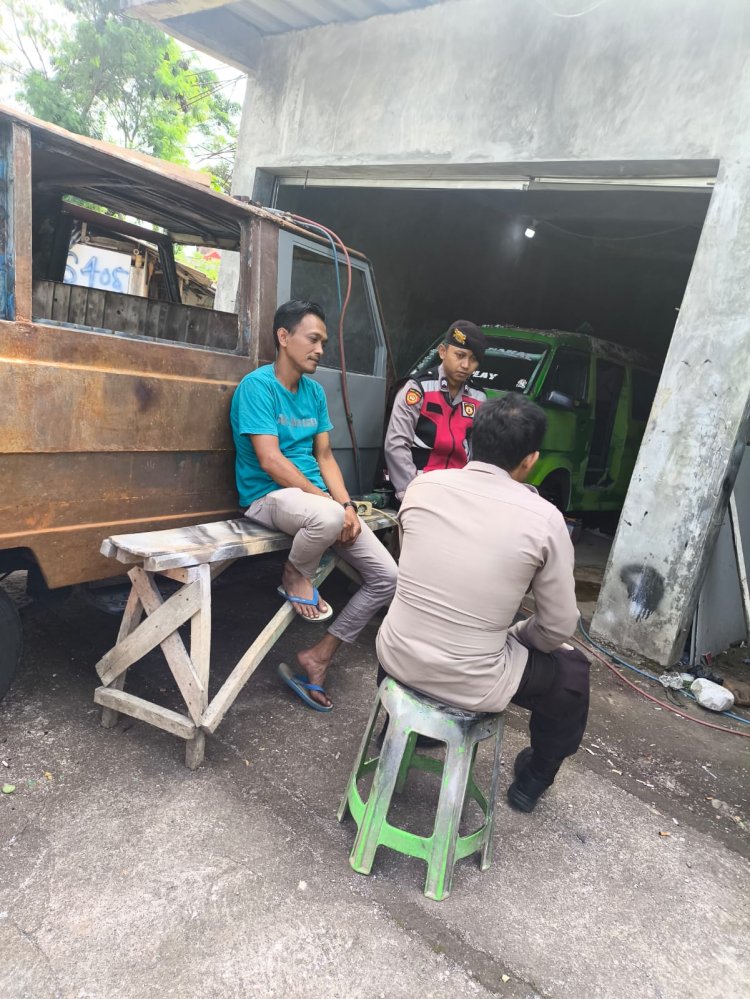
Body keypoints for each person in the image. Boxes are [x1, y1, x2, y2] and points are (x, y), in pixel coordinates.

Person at [376, 393, 589, 812]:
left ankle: (398, 730)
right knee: (571, 674)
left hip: (393, 656)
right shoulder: (544, 519)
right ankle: (533, 779)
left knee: (419, 617)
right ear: (530, 460)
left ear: (471, 441)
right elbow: (558, 627)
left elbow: (417, 571)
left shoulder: (422, 487)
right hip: (472, 682)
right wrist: (514, 635)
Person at [230, 300, 398, 712]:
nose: (321, 349)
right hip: (266, 496)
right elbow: (269, 460)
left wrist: (346, 504)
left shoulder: (315, 393)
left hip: (314, 505)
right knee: (324, 516)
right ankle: (295, 573)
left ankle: (318, 656)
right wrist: (324, 501)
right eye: (313, 339)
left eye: (324, 341)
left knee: (387, 577)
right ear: (283, 337)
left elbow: (325, 456)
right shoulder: (258, 387)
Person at [384, 320, 488, 502]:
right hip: (420, 485)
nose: (465, 365)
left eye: (473, 359)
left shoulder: (479, 398)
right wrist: (412, 494)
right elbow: (396, 445)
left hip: (459, 492)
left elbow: (479, 453)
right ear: (442, 352)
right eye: (460, 355)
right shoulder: (417, 389)